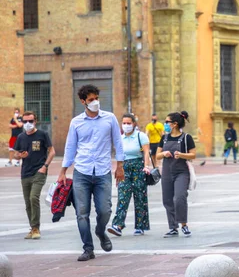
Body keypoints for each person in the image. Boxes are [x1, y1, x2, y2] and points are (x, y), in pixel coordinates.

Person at [58, 85, 124, 261]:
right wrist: (63, 171)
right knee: (82, 212)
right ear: (83, 102)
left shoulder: (109, 119)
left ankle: (100, 231)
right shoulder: (76, 122)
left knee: (104, 210)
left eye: (96, 98)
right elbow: (70, 147)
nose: (95, 102)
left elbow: (118, 142)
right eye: (90, 100)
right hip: (82, 171)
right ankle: (88, 248)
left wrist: (120, 166)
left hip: (103, 171)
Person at [13, 111, 55, 240]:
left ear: (35, 121)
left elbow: (52, 151)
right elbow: (16, 154)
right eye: (25, 121)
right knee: (27, 202)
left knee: (33, 197)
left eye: (30, 121)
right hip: (25, 172)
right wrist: (20, 156)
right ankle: (32, 228)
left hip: (39, 171)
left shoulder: (42, 134)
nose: (27, 124)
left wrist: (45, 166)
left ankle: (36, 228)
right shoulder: (21, 137)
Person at [108, 114, 152, 237]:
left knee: (139, 196)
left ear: (134, 124)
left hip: (138, 166)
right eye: (124, 123)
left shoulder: (140, 136)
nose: (126, 125)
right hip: (124, 167)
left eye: (129, 123)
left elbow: (146, 152)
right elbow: (118, 155)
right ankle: (118, 224)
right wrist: (118, 169)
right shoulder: (120, 138)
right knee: (123, 195)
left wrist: (146, 166)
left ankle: (140, 225)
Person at [157, 111, 196, 238]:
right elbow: (157, 155)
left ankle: (184, 225)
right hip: (167, 172)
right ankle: (173, 227)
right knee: (167, 200)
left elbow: (193, 154)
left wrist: (182, 155)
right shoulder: (164, 138)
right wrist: (164, 154)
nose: (165, 124)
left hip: (181, 172)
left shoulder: (186, 138)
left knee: (179, 197)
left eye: (167, 122)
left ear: (174, 124)